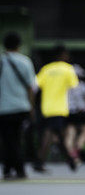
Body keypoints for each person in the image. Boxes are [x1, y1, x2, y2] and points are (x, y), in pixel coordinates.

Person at [35, 44, 79, 172]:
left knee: (56, 134)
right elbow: (74, 89)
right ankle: (41, 161)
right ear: (63, 55)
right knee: (54, 134)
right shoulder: (68, 69)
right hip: (59, 108)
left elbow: (35, 86)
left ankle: (69, 161)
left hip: (46, 108)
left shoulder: (46, 69)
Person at [0, 32, 37, 180]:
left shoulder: (1, 61)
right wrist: (32, 107)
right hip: (21, 106)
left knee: (7, 138)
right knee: (16, 138)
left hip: (3, 107)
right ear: (19, 45)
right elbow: (30, 88)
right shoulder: (25, 62)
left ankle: (11, 168)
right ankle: (16, 168)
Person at [64, 64, 85, 167]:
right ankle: (75, 152)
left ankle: (72, 154)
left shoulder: (65, 86)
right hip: (81, 112)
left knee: (70, 133)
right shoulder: (83, 86)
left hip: (69, 111)